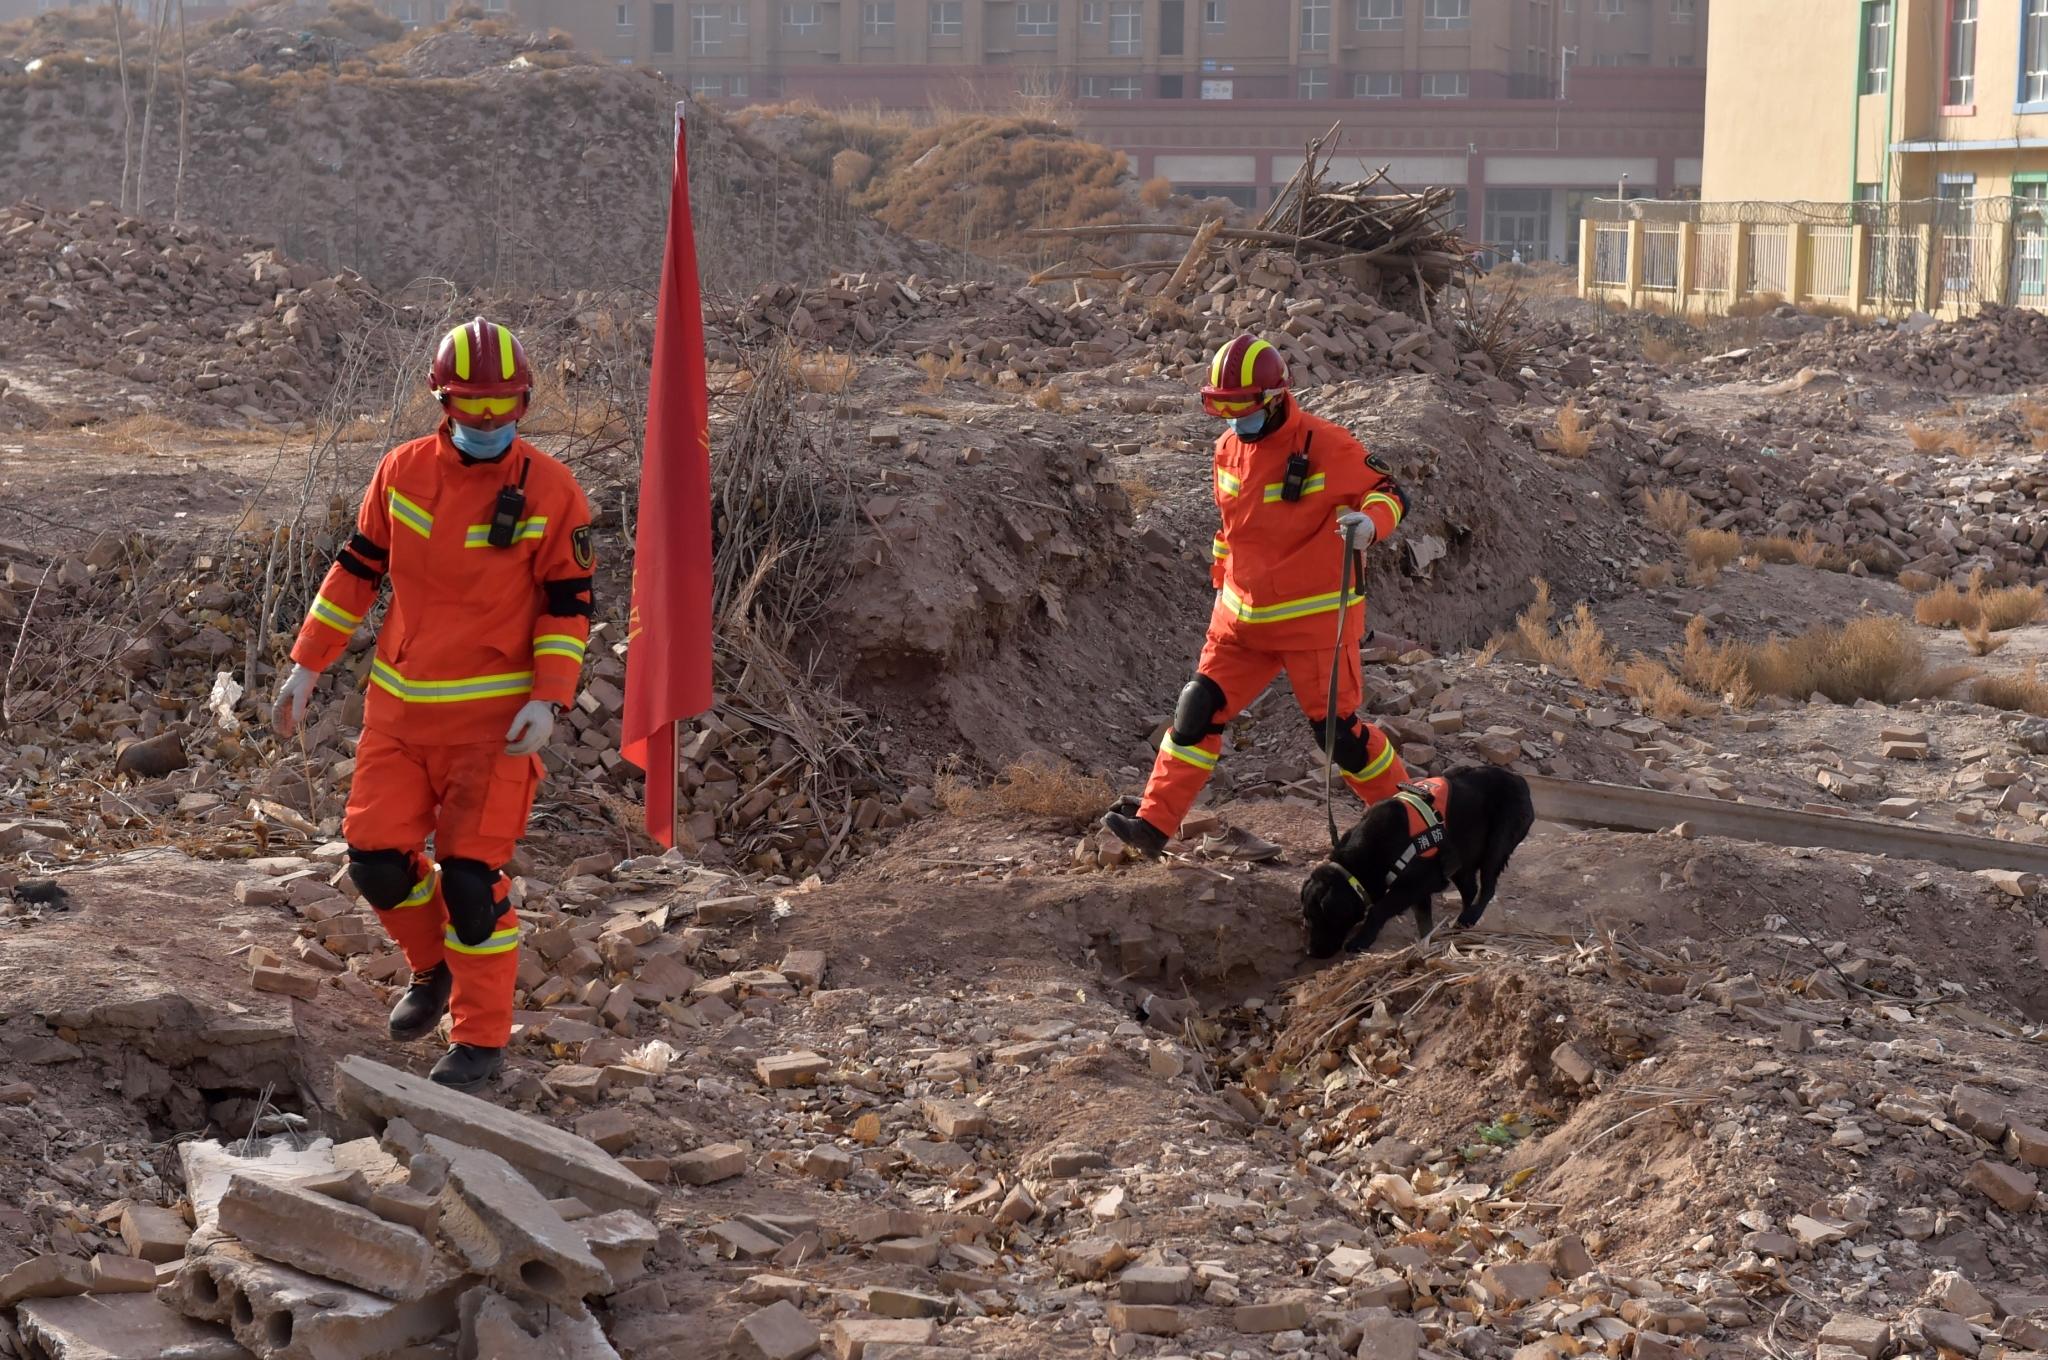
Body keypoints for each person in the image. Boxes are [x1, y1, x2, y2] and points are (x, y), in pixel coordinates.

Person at [273, 317, 595, 1093]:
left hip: (495, 729)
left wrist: (550, 699)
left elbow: (568, 606)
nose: (489, 422)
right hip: (401, 712)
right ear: (441, 401)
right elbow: (357, 570)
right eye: (472, 407)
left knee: (471, 885)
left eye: (504, 408)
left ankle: (481, 1042)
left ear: (525, 401)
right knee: (376, 862)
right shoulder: (401, 472)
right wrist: (307, 663)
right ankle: (433, 970)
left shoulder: (552, 490)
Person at [1103, 333, 1412, 859]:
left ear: (1274, 399)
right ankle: (1153, 826)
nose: (1233, 420)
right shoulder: (1226, 448)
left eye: (1242, 407)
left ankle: (1411, 826)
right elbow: (1231, 528)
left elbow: (1391, 491)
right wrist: (1223, 580)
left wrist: (1372, 524)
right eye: (1222, 408)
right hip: (1239, 623)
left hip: (1313, 626)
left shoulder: (1326, 444)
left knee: (1340, 736)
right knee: (1196, 711)